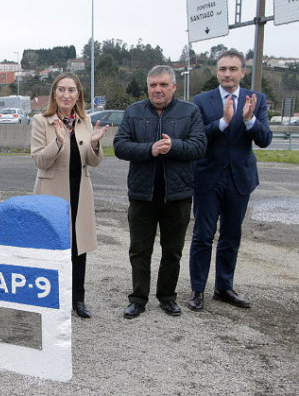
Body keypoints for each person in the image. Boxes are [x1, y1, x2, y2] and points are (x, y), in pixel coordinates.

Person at [113, 65, 206, 319]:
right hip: (142, 195)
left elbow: (199, 146)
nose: (158, 89)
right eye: (153, 85)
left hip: (178, 196)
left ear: (174, 87)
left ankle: (167, 297)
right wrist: (150, 150)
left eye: (163, 85)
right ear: (147, 87)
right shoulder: (133, 112)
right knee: (139, 250)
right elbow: (120, 146)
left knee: (172, 251)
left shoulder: (190, 112)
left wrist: (172, 146)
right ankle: (138, 298)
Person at [188, 49, 272, 311]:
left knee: (231, 236)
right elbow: (198, 138)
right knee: (203, 236)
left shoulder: (256, 99)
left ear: (242, 72)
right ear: (217, 72)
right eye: (223, 69)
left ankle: (224, 287)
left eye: (233, 69)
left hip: (240, 179)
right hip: (208, 178)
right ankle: (197, 290)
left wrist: (249, 120)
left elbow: (265, 139)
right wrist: (223, 122)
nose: (227, 74)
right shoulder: (202, 100)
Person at [30, 72, 107, 318]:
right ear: (54, 94)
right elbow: (39, 160)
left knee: (78, 248)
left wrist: (95, 144)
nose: (66, 94)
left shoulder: (84, 121)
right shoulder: (41, 121)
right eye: (61, 89)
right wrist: (59, 142)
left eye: (71, 90)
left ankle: (78, 300)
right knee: (53, 247)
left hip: (80, 191)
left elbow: (92, 163)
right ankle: (52, 298)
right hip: (52, 193)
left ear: (78, 95)